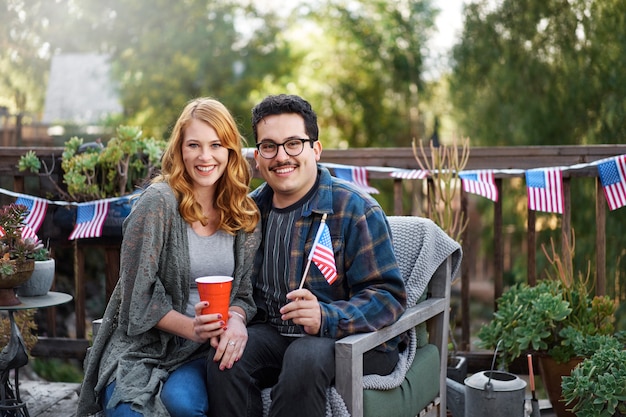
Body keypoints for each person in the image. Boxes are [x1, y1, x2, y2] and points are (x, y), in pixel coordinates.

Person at [206, 94, 407, 417]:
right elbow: (239, 287)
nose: (281, 156)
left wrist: (325, 316)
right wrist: (236, 319)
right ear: (258, 157)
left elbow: (388, 297)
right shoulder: (252, 212)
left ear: (315, 149)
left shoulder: (355, 209)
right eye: (269, 146)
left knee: (304, 356)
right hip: (275, 332)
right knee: (226, 358)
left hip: (351, 339)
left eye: (293, 144)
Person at [76, 97, 261, 417]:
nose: (205, 156)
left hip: (202, 352)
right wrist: (194, 328)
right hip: (143, 346)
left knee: (184, 405)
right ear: (180, 150)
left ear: (230, 151)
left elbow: (243, 295)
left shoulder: (243, 212)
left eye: (216, 144)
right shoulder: (157, 204)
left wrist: (237, 320)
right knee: (129, 412)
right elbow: (138, 299)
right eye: (194, 145)